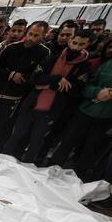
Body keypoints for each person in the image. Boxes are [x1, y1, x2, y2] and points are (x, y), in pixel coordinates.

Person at [6, 29, 93, 163]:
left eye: (81, 44)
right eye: (74, 43)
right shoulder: (53, 56)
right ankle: (5, 159)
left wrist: (49, 85)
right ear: (70, 41)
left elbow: (76, 89)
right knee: (17, 135)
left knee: (36, 140)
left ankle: (27, 165)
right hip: (32, 103)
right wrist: (57, 79)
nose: (75, 47)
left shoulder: (85, 66)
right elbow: (35, 79)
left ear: (87, 45)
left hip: (52, 109)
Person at [0, 21, 50, 152]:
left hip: (14, 97)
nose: (31, 38)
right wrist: (11, 74)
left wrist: (25, 79)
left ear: (43, 35)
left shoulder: (44, 53)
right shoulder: (11, 48)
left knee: (0, 128)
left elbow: (38, 76)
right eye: (30, 34)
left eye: (36, 35)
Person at [47, 39, 110, 181]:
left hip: (106, 117)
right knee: (68, 141)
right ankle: (51, 169)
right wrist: (97, 92)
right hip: (86, 110)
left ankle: (78, 178)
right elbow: (87, 85)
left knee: (90, 148)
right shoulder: (105, 64)